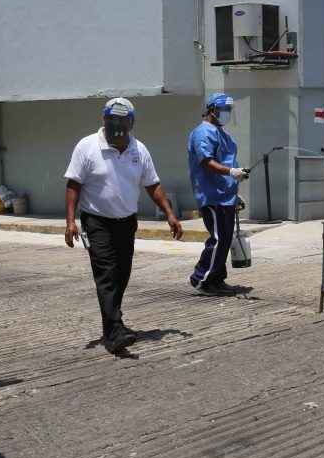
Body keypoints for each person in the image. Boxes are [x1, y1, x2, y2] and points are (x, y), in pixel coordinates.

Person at [64, 98, 183, 353]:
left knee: (122, 274)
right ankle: (116, 330)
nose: (116, 125)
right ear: (104, 119)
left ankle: (111, 324)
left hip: (127, 221)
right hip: (97, 221)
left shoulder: (139, 150)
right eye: (112, 119)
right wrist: (70, 221)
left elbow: (152, 185)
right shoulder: (87, 146)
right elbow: (74, 183)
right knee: (106, 274)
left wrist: (170, 214)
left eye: (122, 120)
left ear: (131, 122)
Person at [187, 93, 249, 296]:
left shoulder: (223, 135)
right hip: (212, 195)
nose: (227, 114)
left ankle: (216, 278)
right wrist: (231, 172)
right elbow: (206, 161)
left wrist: (235, 186)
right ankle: (200, 278)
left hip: (226, 195)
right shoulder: (203, 133)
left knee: (225, 238)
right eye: (224, 110)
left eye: (230, 111)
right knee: (218, 238)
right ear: (212, 110)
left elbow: (229, 162)